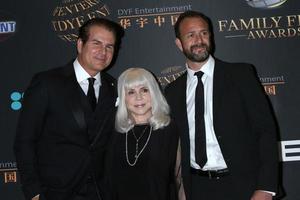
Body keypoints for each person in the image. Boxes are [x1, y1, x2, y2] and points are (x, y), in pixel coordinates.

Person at [165, 10, 279, 200]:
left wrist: (266, 188)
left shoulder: (240, 75)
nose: (199, 40)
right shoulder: (173, 91)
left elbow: (265, 131)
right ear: (179, 43)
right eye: (191, 35)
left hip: (243, 186)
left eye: (204, 33)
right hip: (198, 188)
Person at [14, 17, 124, 200]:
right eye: (96, 43)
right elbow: (25, 140)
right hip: (54, 192)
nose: (103, 52)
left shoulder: (114, 88)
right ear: (80, 44)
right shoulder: (47, 83)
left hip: (99, 193)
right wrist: (33, 191)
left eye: (109, 46)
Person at [105, 68, 185, 200]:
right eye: (131, 92)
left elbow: (179, 175)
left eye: (144, 90)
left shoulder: (169, 129)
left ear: (154, 93)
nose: (138, 97)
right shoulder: (113, 130)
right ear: (123, 98)